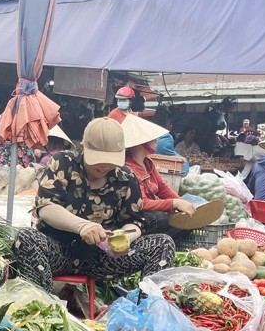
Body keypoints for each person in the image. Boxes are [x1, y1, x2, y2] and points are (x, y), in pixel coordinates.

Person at [13, 117, 176, 293]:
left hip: (103, 258)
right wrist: (82, 226)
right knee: (26, 238)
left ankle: (148, 310)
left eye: (110, 159)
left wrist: (123, 238)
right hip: (59, 250)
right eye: (98, 158)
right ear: (84, 147)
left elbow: (135, 221)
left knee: (163, 244)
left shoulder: (125, 177)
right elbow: (45, 207)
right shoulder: (63, 162)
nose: (104, 165)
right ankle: (44, 309)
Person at [120, 115, 197, 240]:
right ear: (142, 142)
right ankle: (154, 245)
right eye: (153, 139)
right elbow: (142, 203)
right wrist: (173, 203)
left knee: (188, 220)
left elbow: (162, 188)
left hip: (151, 210)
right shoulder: (127, 168)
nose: (157, 142)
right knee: (160, 218)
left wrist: (182, 203)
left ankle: (163, 244)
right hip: (133, 216)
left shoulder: (148, 163)